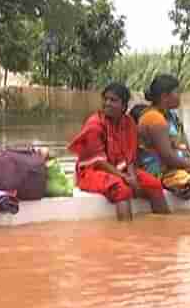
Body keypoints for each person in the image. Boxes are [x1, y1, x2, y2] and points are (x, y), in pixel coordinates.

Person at [68, 83, 169, 221]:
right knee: (121, 188)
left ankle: (164, 230)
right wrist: (125, 178)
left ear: (124, 106)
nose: (107, 103)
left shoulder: (129, 123)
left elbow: (130, 156)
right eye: (105, 99)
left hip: (120, 169)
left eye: (113, 100)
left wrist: (133, 177)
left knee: (154, 184)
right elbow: (99, 162)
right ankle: (126, 236)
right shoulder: (94, 124)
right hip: (91, 172)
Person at [136, 74, 190, 211]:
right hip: (161, 173)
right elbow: (168, 157)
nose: (179, 95)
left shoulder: (171, 117)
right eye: (177, 92)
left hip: (176, 168)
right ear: (165, 96)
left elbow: (181, 146)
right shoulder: (153, 119)